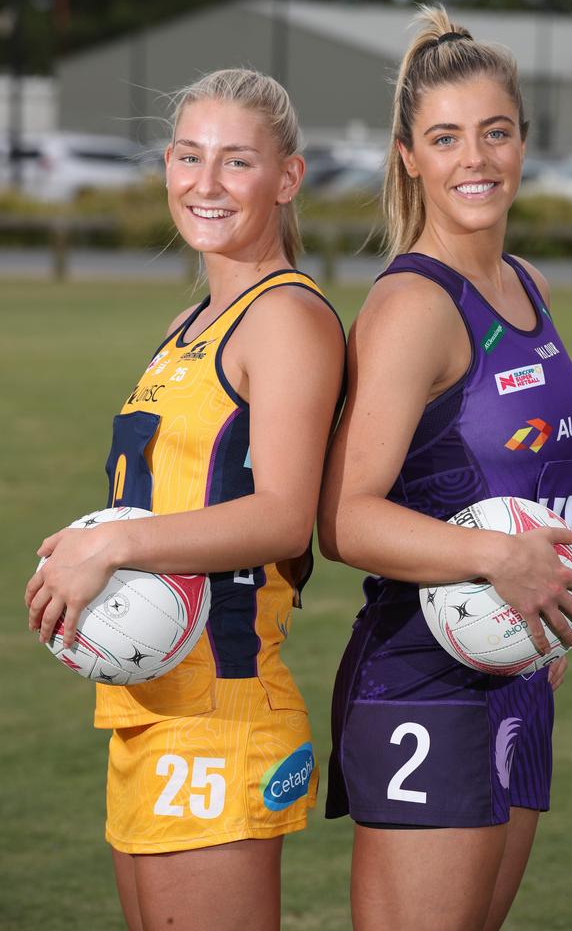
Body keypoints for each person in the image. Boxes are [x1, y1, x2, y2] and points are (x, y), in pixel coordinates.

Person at [25, 68, 345, 931]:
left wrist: (114, 549)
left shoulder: (285, 318)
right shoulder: (190, 321)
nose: (206, 184)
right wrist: (89, 539)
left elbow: (283, 513)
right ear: (166, 164)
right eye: (190, 157)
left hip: (222, 705)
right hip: (149, 706)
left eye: (237, 162)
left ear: (287, 179)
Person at [319, 7, 572, 931]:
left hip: (514, 665)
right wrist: (498, 565)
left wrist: (535, 599)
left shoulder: (528, 285)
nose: (474, 159)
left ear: (522, 141)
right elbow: (346, 519)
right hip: (422, 680)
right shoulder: (412, 304)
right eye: (446, 138)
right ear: (409, 156)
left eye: (495, 132)